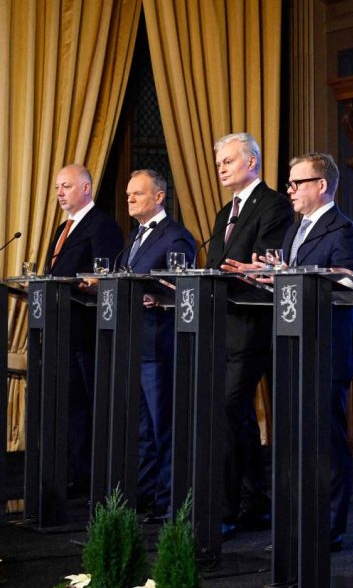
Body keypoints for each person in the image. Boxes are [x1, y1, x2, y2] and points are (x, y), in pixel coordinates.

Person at [225, 152, 353, 551]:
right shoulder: (295, 229)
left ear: (321, 185)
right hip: (291, 348)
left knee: (326, 445)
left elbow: (348, 288)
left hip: (325, 351)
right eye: (289, 183)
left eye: (297, 183)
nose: (289, 190)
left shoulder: (344, 231)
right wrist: (264, 277)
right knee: (295, 445)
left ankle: (329, 529)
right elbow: (291, 283)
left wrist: (289, 278)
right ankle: (300, 523)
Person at [205, 132, 293, 537]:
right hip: (222, 326)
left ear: (252, 162)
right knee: (233, 416)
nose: (221, 169)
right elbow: (217, 264)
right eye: (219, 163)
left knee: (229, 410)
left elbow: (261, 265)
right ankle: (254, 501)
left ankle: (227, 510)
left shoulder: (273, 205)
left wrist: (239, 272)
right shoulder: (226, 211)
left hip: (253, 327)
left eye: (228, 161)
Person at [117, 169, 196, 521]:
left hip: (161, 348)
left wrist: (160, 296)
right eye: (128, 194)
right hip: (134, 344)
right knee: (142, 430)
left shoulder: (176, 237)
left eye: (137, 193)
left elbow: (184, 288)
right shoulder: (134, 238)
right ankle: (145, 495)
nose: (130, 199)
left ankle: (169, 499)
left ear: (159, 196)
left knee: (164, 426)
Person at [45, 163, 123, 495]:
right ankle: (74, 473)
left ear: (86, 188)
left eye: (66, 186)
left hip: (88, 331)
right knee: (69, 407)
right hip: (61, 329)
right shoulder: (63, 228)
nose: (60, 193)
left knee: (90, 406)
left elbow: (104, 278)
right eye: (57, 187)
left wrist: (86, 285)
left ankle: (95, 476)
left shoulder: (102, 225)